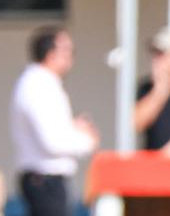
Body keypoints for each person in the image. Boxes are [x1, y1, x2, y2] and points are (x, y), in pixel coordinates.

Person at [10, 26, 99, 216]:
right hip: (45, 181)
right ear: (51, 53)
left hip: (46, 180)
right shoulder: (39, 85)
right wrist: (86, 140)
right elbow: (53, 142)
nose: (71, 57)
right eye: (67, 50)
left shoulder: (40, 83)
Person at [134, 27, 170, 151]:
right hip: (155, 166)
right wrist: (160, 91)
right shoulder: (147, 88)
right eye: (156, 54)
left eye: (163, 54)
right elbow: (134, 124)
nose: (158, 60)